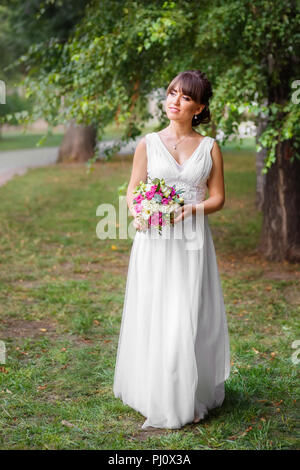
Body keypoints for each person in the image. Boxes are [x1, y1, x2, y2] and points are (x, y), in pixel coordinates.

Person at [113, 70, 231, 430]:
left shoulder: (210, 147)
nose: (173, 101)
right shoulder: (148, 143)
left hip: (192, 243)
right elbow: (134, 191)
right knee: (157, 311)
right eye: (170, 93)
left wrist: (192, 210)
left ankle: (186, 393)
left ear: (199, 107)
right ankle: (157, 392)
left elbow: (218, 198)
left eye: (183, 97)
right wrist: (140, 212)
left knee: (187, 313)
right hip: (155, 242)